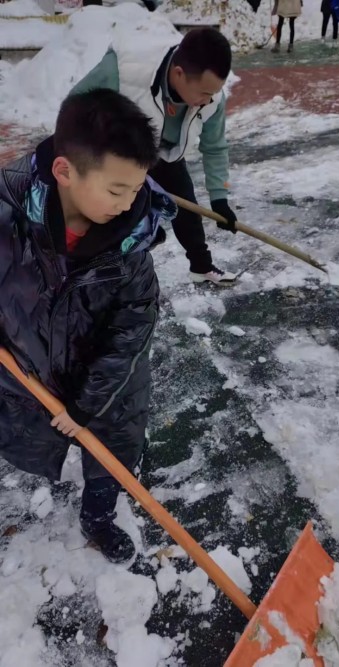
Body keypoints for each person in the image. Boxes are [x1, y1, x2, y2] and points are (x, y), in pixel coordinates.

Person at [0, 89, 177, 563]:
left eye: (137, 188)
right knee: (21, 431)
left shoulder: (131, 247)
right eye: (117, 190)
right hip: (28, 365)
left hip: (108, 384)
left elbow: (132, 329)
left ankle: (97, 518)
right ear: (64, 171)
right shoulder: (8, 214)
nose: (129, 203)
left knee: (112, 453)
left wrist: (85, 405)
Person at [71, 28, 238, 287]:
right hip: (122, 155)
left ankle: (201, 267)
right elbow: (75, 107)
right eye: (204, 93)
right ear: (179, 74)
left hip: (164, 154)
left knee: (187, 208)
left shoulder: (212, 98)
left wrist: (219, 198)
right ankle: (95, 274)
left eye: (213, 93)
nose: (208, 100)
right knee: (117, 216)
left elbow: (215, 147)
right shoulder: (125, 70)